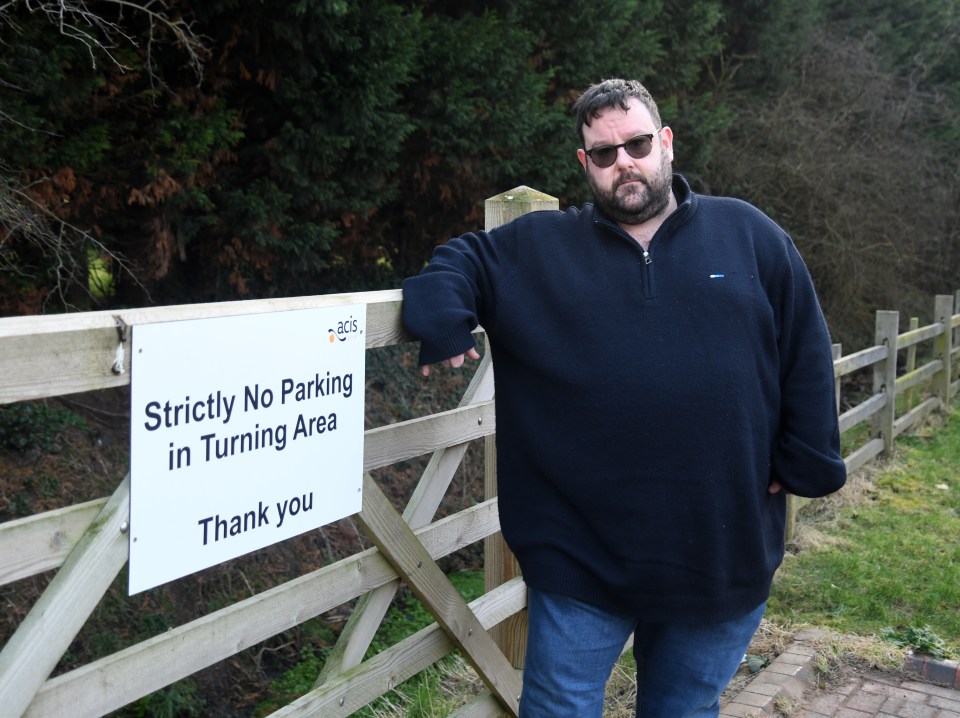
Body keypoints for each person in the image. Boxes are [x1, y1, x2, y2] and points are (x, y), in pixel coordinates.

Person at [401, 78, 846, 718]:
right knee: (558, 708)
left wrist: (805, 459)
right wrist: (443, 314)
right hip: (582, 549)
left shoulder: (747, 235)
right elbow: (456, 262)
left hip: (719, 543)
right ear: (586, 164)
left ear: (664, 143)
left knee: (684, 709)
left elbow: (805, 349)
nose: (624, 163)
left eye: (636, 144)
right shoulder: (540, 246)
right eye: (604, 154)